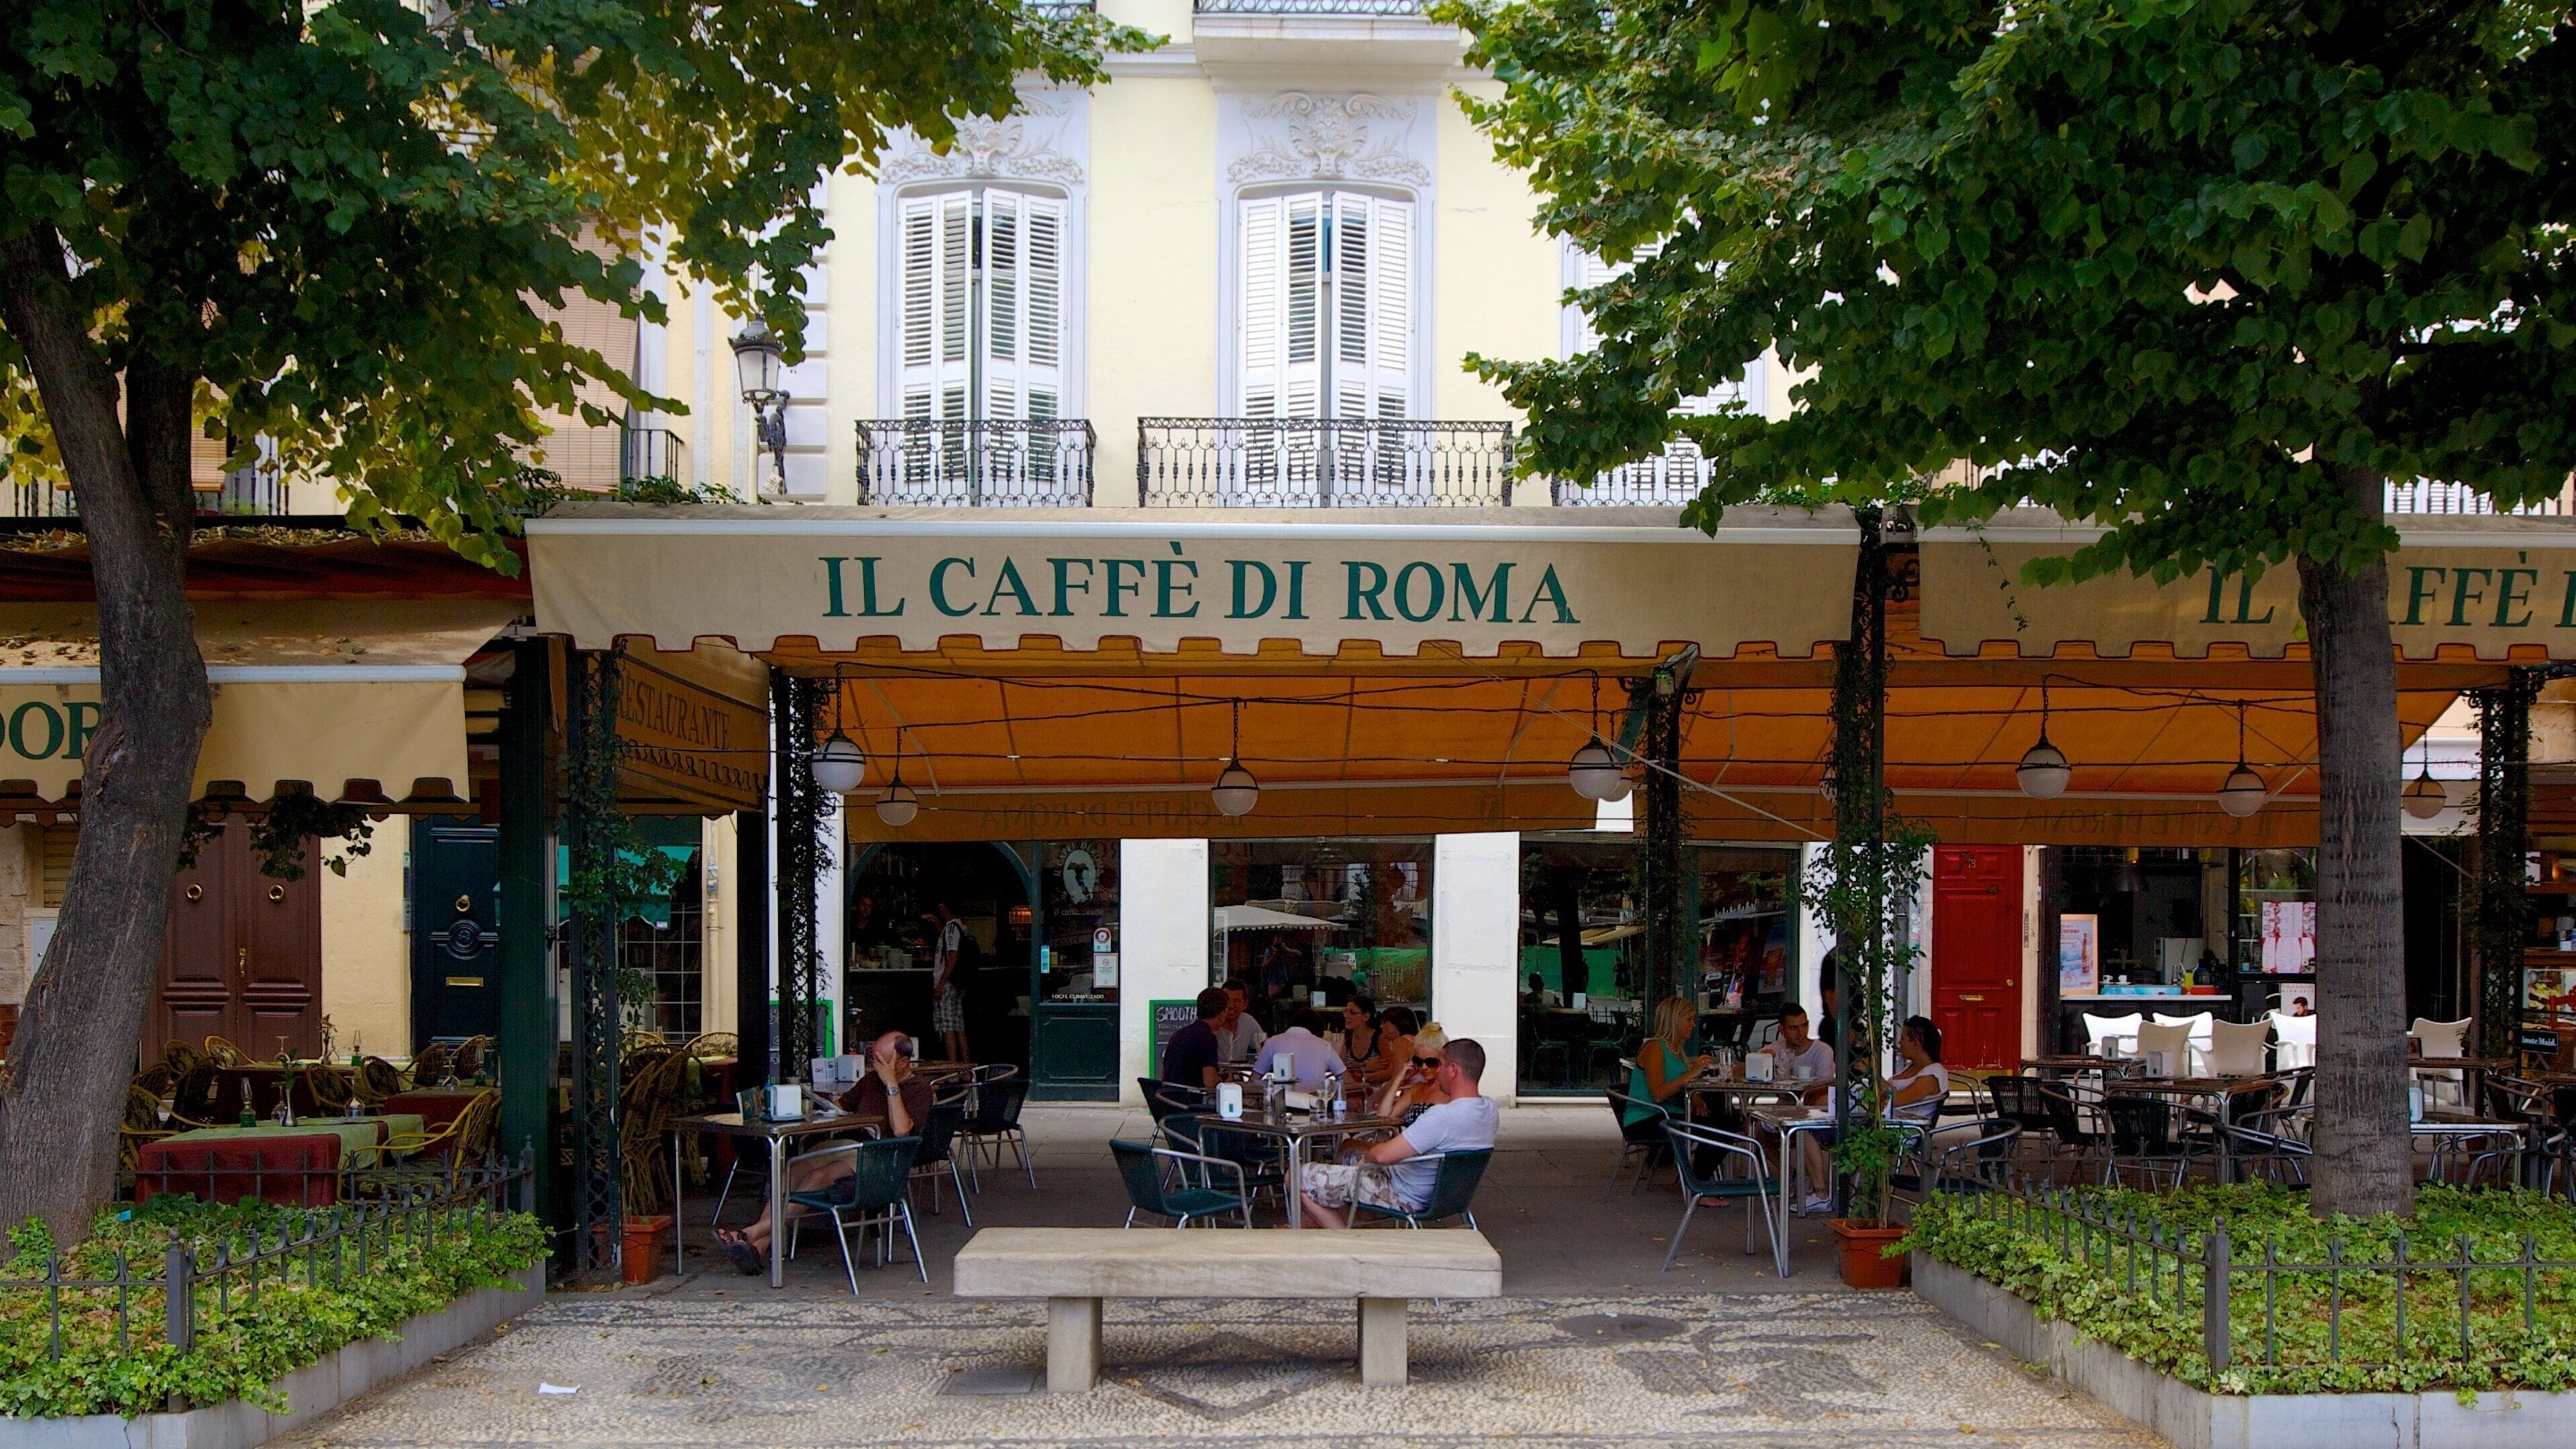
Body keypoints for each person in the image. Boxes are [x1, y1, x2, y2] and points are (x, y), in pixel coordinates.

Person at [714, 1032, 928, 1271]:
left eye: (881, 1061)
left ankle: (749, 1233)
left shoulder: (920, 1089)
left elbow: (901, 1130)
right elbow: (840, 1107)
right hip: (845, 1143)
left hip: (878, 1154)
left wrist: (891, 1085)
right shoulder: (870, 1081)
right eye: (873, 1059)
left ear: (903, 1062)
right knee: (791, 1171)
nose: (875, 1065)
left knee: (819, 1176)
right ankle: (758, 1247)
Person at [1299, 1038, 1497, 1227]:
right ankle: (1343, 1227)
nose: (1438, 1071)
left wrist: (1366, 1159)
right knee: (1347, 1159)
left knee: (1297, 1176)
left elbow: (1382, 1156)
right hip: (1448, 1198)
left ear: (1453, 1070)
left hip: (1402, 1195)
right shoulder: (1490, 1110)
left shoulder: (1442, 1116)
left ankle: (1348, 1241)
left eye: (1441, 1065)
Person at [1791, 1016, 1949, 1216]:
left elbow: (1897, 1099)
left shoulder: (1931, 1075)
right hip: (1880, 1122)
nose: (1899, 1043)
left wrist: (1873, 1074)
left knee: (1806, 1129)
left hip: (1896, 1133)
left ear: (1916, 1043)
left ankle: (1821, 1193)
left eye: (1903, 1038)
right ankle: (1818, 1184)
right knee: (1821, 1105)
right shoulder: (1912, 1068)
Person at [1622, 996, 1711, 1126]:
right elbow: (1658, 1095)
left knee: (1724, 1119)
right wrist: (1692, 1073)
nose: (1693, 1025)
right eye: (1689, 1019)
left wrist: (1695, 1097)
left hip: (1670, 1114)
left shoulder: (1676, 1049)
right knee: (1721, 1126)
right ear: (1675, 1021)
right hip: (1647, 1118)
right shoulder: (1654, 1048)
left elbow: (1678, 1084)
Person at [1373, 1023, 1452, 1124]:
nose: (1424, 1067)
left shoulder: (1451, 1091)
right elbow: (1383, 1116)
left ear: (1444, 1060)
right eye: (1419, 1061)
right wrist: (1398, 1081)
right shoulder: (1417, 1089)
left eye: (1431, 1062)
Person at [1762, 1004, 1836, 1103]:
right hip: (1787, 1102)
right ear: (1782, 1030)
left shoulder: (1823, 1050)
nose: (1801, 1033)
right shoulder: (1775, 1049)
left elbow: (1824, 1088)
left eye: (1804, 1026)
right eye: (1794, 1028)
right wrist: (1759, 1060)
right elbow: (1744, 1069)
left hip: (1814, 1102)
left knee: (1823, 1100)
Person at [1160, 987, 1228, 1093]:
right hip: (1191, 1099)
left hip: (1167, 1098)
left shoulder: (1179, 1034)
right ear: (1221, 1014)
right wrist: (1225, 1082)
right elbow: (1210, 1083)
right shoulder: (1207, 1037)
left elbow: (1164, 1076)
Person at [1254, 1008, 1346, 1087]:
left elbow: (1254, 1079)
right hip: (1315, 1100)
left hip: (1282, 1100)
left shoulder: (1272, 1042)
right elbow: (1345, 1078)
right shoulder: (1325, 1046)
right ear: (1318, 1030)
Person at [930, 901, 969, 1064]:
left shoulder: (952, 928)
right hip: (956, 984)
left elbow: (952, 956)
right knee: (959, 1026)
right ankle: (965, 1066)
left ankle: (953, 1067)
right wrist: (936, 922)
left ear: (946, 907)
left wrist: (941, 983)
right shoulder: (959, 927)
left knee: (948, 1027)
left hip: (947, 984)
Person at [1332, 995, 1390, 1084]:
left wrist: (1363, 1077)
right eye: (1346, 1011)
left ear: (1366, 1017)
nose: (1346, 1015)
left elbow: (1391, 1071)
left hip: (1374, 1089)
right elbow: (1339, 1068)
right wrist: (1364, 1067)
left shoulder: (1379, 1038)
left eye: (1352, 1013)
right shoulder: (1348, 1036)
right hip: (1353, 1088)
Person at [1215, 976, 1268, 1065]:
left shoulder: (1248, 1022)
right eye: (1227, 1001)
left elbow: (1265, 1048)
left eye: (1236, 1001)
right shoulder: (1211, 1022)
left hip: (1239, 1073)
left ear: (1245, 1004)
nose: (1231, 1006)